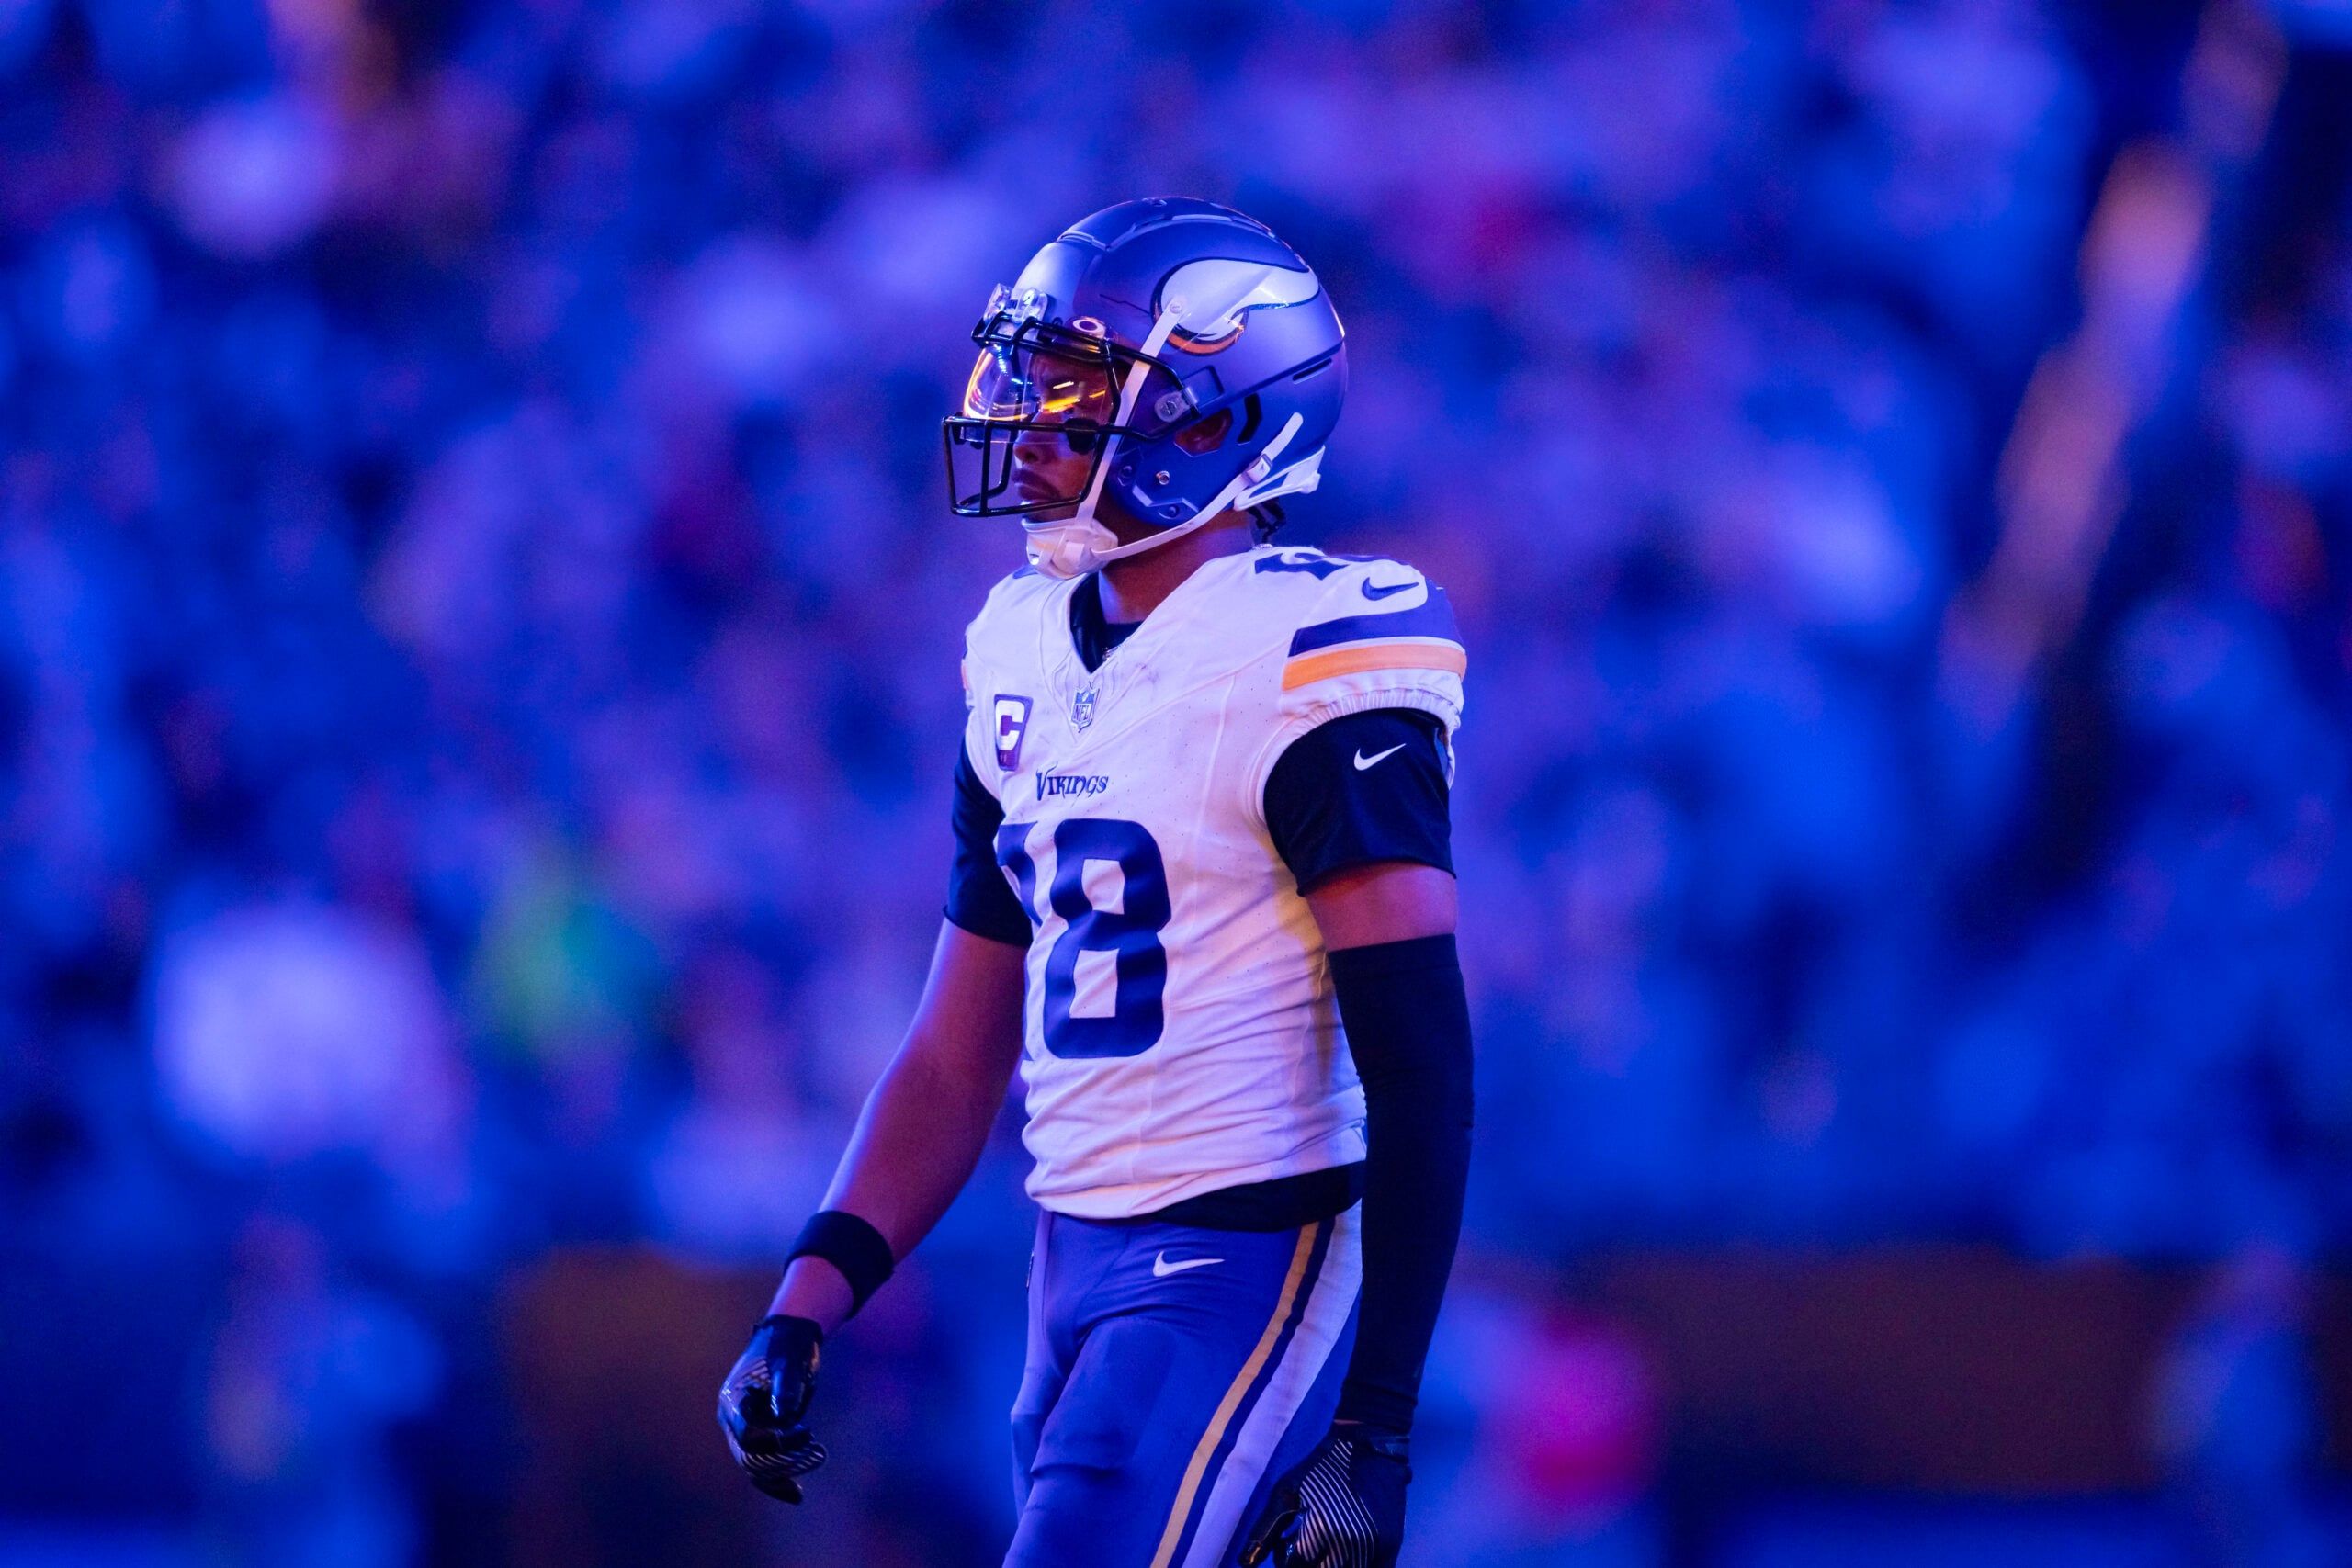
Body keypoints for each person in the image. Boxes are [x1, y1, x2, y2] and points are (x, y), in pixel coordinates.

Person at [718, 197, 1475, 1568]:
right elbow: (958, 1054)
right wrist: (808, 1297)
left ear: (1214, 418)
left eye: (1071, 386)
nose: (1024, 415)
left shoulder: (1307, 654)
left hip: (1248, 1255)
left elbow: (1421, 1062)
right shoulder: (1020, 647)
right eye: (1026, 373)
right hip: (1068, 1261)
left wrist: (1377, 1428)